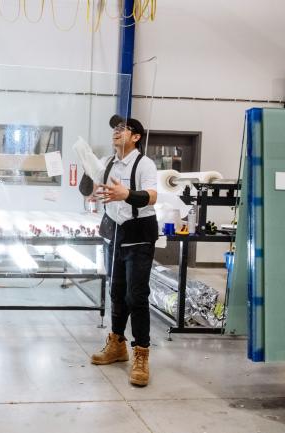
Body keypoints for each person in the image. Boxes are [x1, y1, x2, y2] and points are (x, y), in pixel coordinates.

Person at [78, 115, 158, 387]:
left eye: (123, 128)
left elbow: (152, 196)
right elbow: (87, 188)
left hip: (139, 232)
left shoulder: (144, 163)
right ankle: (117, 344)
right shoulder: (108, 163)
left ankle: (141, 353)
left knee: (136, 295)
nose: (117, 132)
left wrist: (127, 195)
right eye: (114, 128)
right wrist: (87, 170)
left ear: (136, 137)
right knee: (116, 292)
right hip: (115, 232)